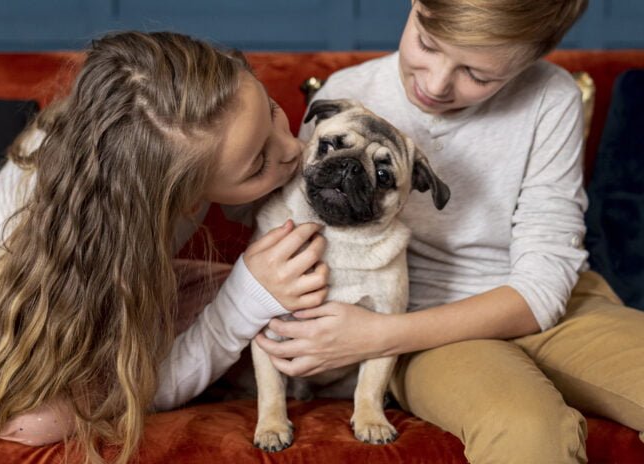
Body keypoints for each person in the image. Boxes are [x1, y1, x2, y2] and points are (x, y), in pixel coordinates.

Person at [254, 1, 644, 462]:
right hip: (421, 327)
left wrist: (375, 337)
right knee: (526, 430)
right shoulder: (348, 93)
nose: (436, 83)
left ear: (534, 56)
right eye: (427, 44)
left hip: (551, 305)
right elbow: (301, 211)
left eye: (478, 76)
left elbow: (546, 277)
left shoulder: (551, 95)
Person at [0, 31, 329, 464]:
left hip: (136, 287)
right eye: (258, 162)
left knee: (285, 302)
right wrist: (241, 304)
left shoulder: (196, 132)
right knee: (38, 419)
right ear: (180, 200)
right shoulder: (91, 234)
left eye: (274, 111)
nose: (293, 148)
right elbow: (113, 381)